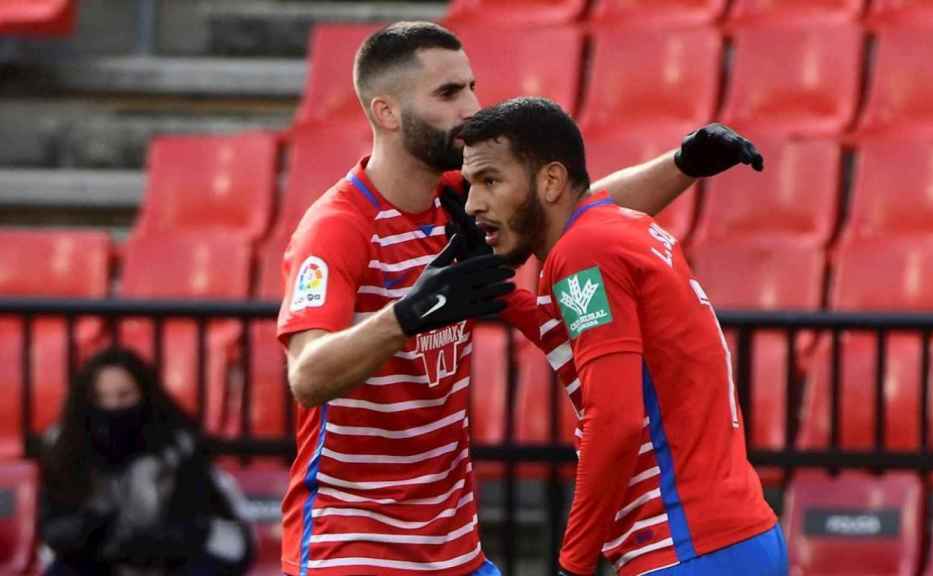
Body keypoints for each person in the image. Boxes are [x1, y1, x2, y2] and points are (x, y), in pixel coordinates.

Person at [277, 20, 763, 576]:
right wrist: (409, 314)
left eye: (471, 86)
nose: (471, 106)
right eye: (447, 93)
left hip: (455, 548)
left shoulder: (457, 203)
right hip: (357, 546)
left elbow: (571, 207)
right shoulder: (339, 228)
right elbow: (307, 377)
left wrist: (684, 165)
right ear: (386, 113)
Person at [457, 97, 786, 576]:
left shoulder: (584, 252)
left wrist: (574, 561)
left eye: (489, 181)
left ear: (550, 181)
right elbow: (581, 342)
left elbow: (615, 419)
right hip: (738, 537)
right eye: (469, 185)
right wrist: (500, 297)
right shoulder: (621, 230)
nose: (472, 204)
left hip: (685, 547)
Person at [39, 347, 253, 576]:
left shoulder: (181, 445)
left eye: (124, 395)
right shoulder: (65, 448)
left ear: (144, 394)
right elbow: (53, 529)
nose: (112, 406)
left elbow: (210, 531)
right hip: (97, 561)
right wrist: (91, 529)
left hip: (174, 562)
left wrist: (152, 542)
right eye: (100, 397)